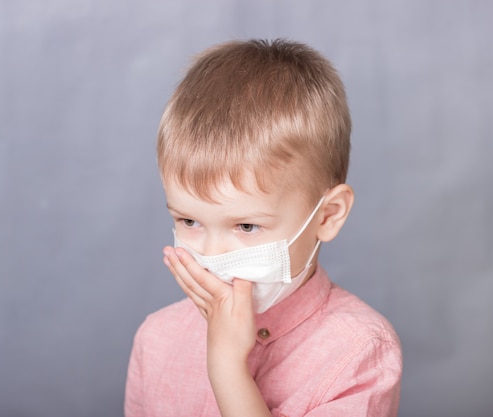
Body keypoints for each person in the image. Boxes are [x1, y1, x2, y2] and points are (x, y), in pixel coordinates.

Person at [124, 38, 402, 417]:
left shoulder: (360, 350)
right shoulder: (156, 338)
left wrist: (227, 368)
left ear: (327, 215)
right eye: (189, 221)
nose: (213, 255)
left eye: (247, 226)